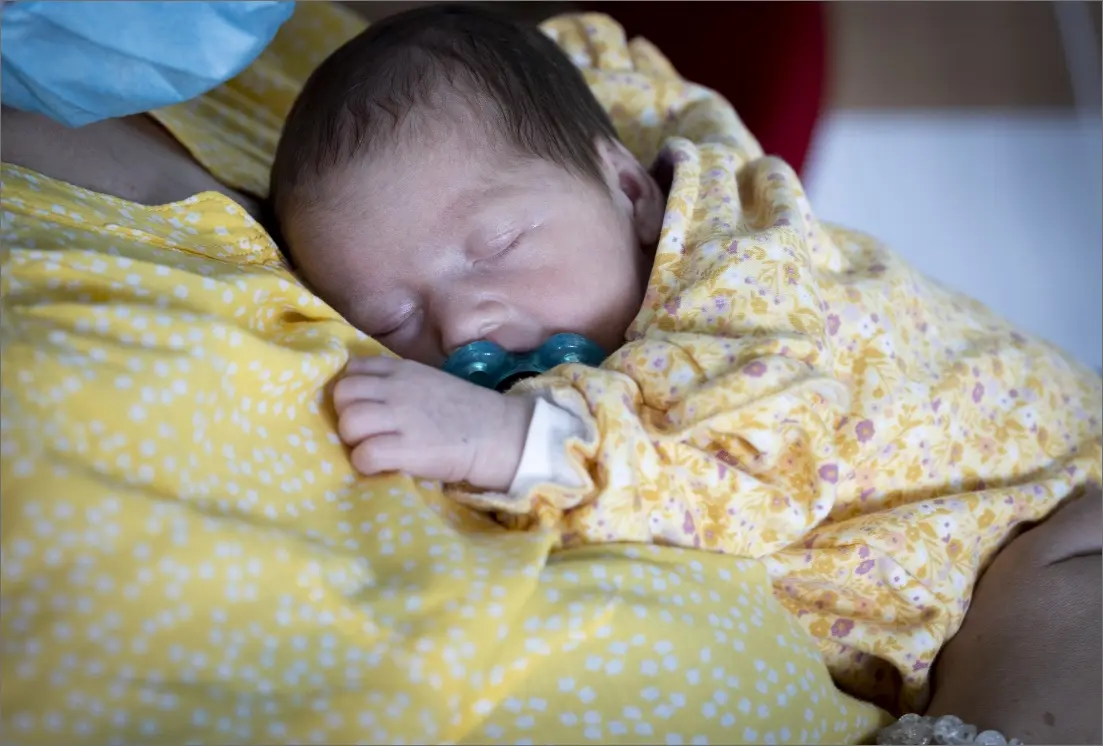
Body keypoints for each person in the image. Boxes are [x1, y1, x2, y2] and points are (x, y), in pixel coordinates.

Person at [1, 2, 1099, 744]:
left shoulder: (750, 300)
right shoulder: (565, 245)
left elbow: (735, 467)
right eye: (393, 314)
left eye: (493, 247)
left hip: (1029, 503)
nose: (468, 319)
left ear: (628, 190)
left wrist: (514, 443)